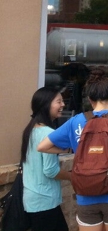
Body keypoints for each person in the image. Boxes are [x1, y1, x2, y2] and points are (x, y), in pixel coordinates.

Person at [38, 69, 108, 231]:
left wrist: (74, 148)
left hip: (86, 196)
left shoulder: (76, 121)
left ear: (89, 98)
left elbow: (43, 146)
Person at [21, 87, 71, 231]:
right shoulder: (48, 133)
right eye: (59, 101)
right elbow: (50, 170)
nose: (63, 105)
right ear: (46, 104)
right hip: (44, 200)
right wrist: (72, 177)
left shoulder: (31, 129)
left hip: (33, 198)